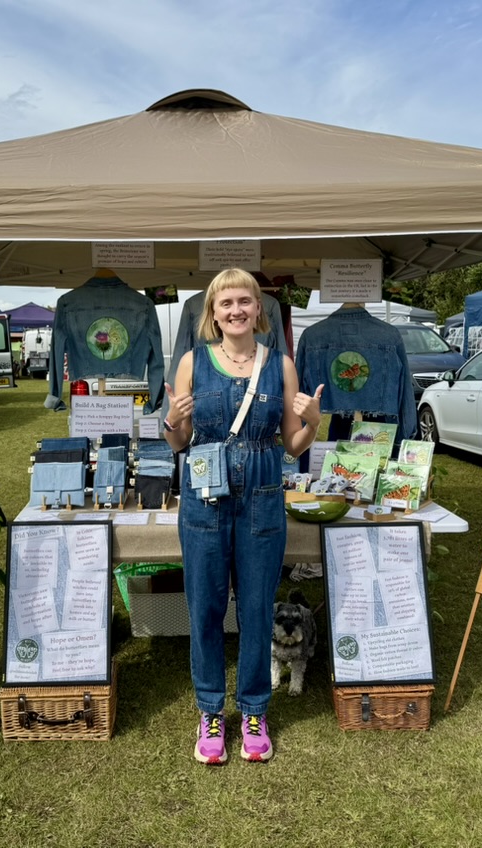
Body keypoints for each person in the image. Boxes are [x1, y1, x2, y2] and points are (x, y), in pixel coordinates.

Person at [163, 268, 323, 765]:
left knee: (256, 608)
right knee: (205, 609)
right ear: (212, 313)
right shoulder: (192, 362)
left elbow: (293, 446)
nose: (236, 310)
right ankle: (211, 712)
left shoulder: (281, 366)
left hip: (262, 494)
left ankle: (254, 709)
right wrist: (172, 421)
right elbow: (179, 442)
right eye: (225, 303)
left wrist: (313, 422)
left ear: (260, 309)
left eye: (244, 302)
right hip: (203, 500)